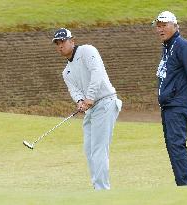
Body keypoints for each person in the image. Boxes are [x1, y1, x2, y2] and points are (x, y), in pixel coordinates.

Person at [52, 28, 122, 190]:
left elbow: (97, 73)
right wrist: (80, 101)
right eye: (57, 43)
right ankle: (97, 187)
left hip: (105, 102)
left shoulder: (87, 51)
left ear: (72, 41)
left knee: (98, 148)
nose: (60, 45)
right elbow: (74, 91)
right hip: (92, 109)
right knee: (89, 149)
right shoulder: (66, 72)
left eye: (63, 41)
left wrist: (89, 97)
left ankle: (102, 189)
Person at [152, 11, 187, 186]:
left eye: (164, 25)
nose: (160, 29)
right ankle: (183, 185)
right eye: (158, 26)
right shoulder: (167, 47)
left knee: (176, 145)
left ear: (175, 25)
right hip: (169, 105)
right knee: (173, 146)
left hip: (177, 104)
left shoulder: (182, 46)